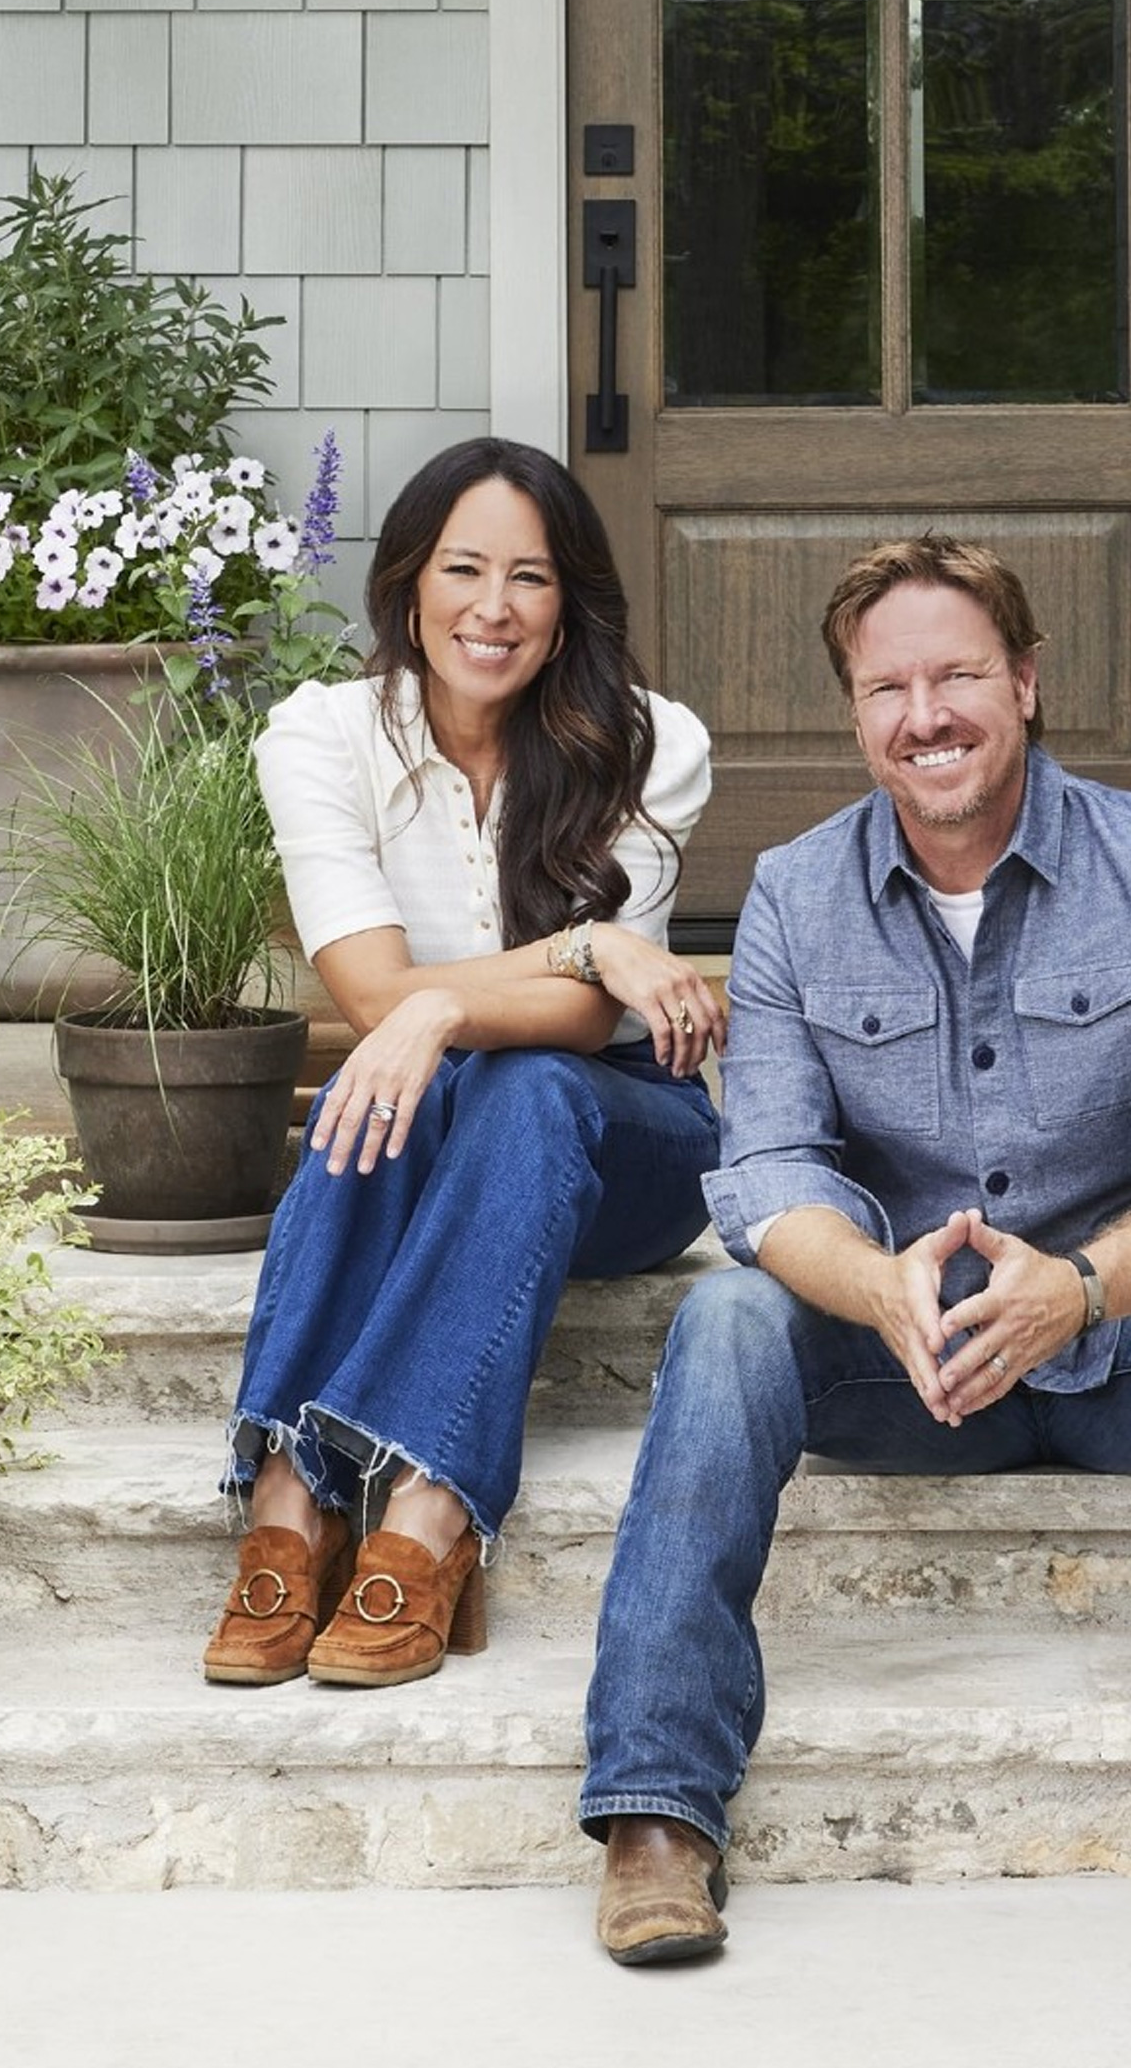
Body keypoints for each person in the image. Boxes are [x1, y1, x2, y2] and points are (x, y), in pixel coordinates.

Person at [576, 535, 1131, 1962]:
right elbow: (763, 1172)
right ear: (855, 711)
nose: (924, 714)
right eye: (888, 686)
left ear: (1028, 682)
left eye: (958, 674)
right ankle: (654, 1819)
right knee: (730, 1321)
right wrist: (879, 1287)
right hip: (913, 1372)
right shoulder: (798, 897)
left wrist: (1081, 1288)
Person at [204, 437, 725, 1693]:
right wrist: (582, 945)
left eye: (531, 579)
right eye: (465, 570)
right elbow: (369, 996)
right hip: (417, 1131)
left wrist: (439, 1015)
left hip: (629, 1150)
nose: (494, 609)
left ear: (571, 604)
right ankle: (293, 1504)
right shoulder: (323, 735)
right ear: (408, 584)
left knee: (523, 1083)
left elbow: (589, 1027)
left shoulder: (652, 743)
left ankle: (430, 1512)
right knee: (378, 1084)